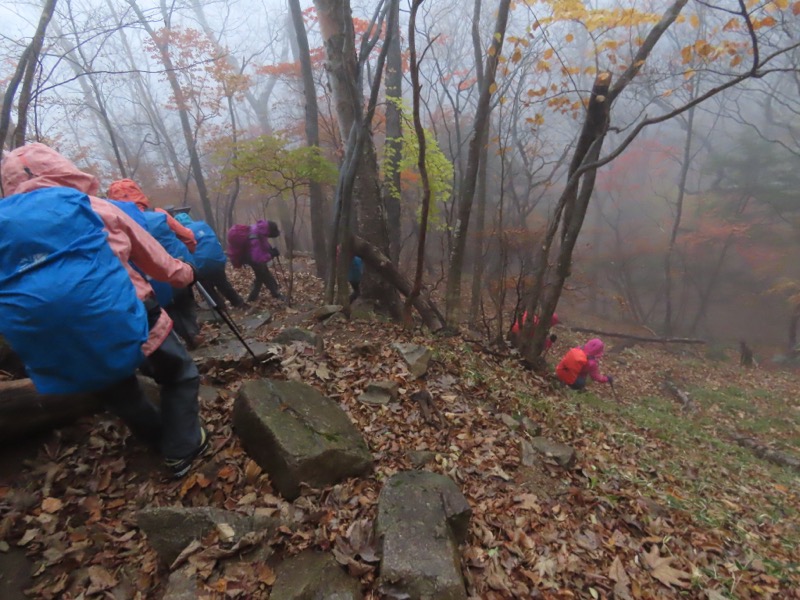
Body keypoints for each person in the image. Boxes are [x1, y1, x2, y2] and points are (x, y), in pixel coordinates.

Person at [1, 143, 208, 478]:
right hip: (132, 314)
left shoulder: (4, 225)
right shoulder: (94, 207)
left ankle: (159, 440)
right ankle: (183, 447)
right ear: (60, 169)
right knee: (179, 374)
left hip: (61, 341)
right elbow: (159, 263)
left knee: (121, 394)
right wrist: (187, 273)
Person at [108, 179, 203, 349]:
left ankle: (177, 338)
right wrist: (190, 253)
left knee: (165, 306)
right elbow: (188, 236)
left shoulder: (113, 223)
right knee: (184, 299)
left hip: (146, 277)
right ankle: (192, 333)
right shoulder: (159, 213)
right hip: (177, 264)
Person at [173, 211, 246, 310]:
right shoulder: (203, 225)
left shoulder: (181, 233)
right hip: (217, 260)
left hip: (200, 265)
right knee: (223, 283)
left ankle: (220, 308)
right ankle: (238, 302)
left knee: (207, 289)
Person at [227, 220, 284, 303]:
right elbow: (257, 258)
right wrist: (271, 255)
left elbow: (264, 243)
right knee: (262, 274)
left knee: (262, 275)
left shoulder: (261, 229)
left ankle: (255, 297)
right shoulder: (254, 237)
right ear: (270, 231)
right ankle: (273, 294)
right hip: (249, 256)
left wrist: (270, 250)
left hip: (251, 254)